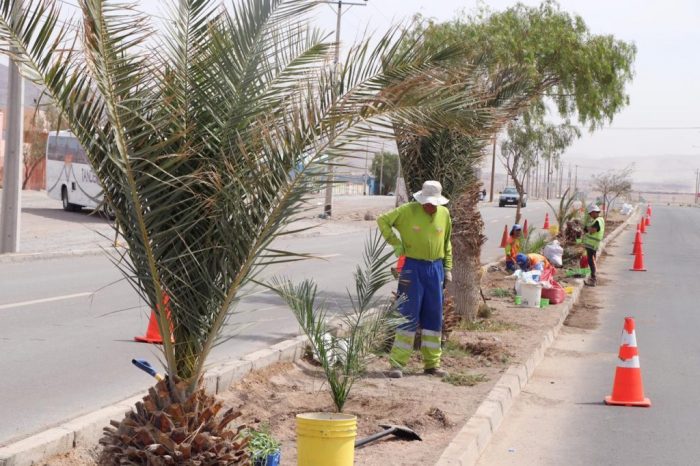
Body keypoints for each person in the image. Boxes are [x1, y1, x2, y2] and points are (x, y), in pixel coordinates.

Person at [377, 180, 453, 378]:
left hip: (435, 269)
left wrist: (447, 268)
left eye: (433, 203)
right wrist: (396, 245)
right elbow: (382, 221)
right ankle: (397, 364)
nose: (429, 206)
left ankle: (432, 364)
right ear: (420, 199)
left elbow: (447, 243)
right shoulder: (407, 211)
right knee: (407, 314)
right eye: (427, 202)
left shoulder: (444, 214)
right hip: (412, 267)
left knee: (434, 316)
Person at [583, 204, 605, 286]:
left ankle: (593, 279)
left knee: (591, 261)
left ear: (594, 212)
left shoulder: (597, 221)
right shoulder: (600, 219)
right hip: (593, 245)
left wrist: (587, 228)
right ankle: (593, 278)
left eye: (590, 214)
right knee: (592, 261)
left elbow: (593, 230)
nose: (590, 215)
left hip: (593, 245)